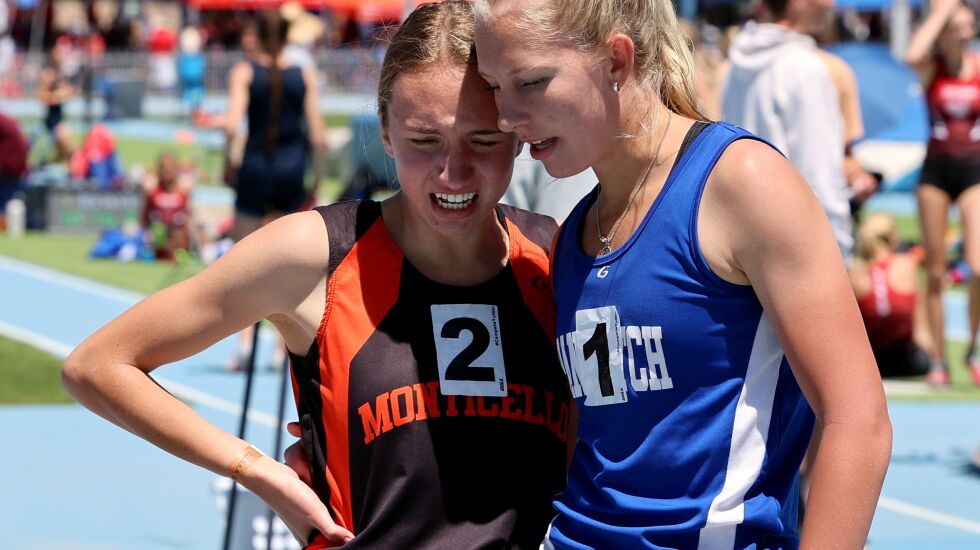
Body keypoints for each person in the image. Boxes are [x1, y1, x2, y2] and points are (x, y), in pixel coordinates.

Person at [62, 2, 570, 548]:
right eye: (425, 140)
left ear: (517, 132)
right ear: (387, 134)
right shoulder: (316, 254)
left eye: (483, 139)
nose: (454, 170)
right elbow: (98, 365)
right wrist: (258, 471)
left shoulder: (559, 257)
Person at [474, 0, 891, 548]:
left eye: (530, 81)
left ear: (617, 61)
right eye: (494, 86)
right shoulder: (577, 234)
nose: (507, 115)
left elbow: (858, 421)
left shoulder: (740, 182)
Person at [223, 10, 327, 372]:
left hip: (256, 166)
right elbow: (318, 134)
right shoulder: (303, 74)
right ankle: (284, 348)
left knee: (240, 260)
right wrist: (318, 177)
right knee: (287, 263)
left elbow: (232, 121)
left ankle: (245, 343)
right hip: (290, 168)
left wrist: (227, 159)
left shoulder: (245, 71)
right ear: (286, 38)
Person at [720, 0, 854, 258]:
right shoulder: (805, 69)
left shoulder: (734, 67)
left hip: (742, 237)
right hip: (797, 247)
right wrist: (839, 250)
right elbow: (820, 176)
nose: (832, 4)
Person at [905, 0, 980, 386]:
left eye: (969, 25)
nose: (964, 32)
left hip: (974, 172)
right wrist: (939, 12)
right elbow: (912, 53)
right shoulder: (932, 67)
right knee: (934, 271)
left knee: (978, 266)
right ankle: (937, 358)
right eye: (957, 25)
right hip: (936, 172)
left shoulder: (979, 68)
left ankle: (972, 348)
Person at [849, 213, 933, 378]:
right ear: (894, 240)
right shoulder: (907, 264)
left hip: (870, 362)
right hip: (909, 362)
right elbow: (921, 329)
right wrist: (933, 361)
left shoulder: (854, 273)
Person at [141, 152, 195, 260]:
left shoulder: (183, 191)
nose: (168, 171)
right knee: (159, 229)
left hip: (178, 237)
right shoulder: (153, 191)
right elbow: (144, 218)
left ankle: (181, 254)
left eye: (171, 167)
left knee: (178, 230)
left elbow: (189, 218)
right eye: (164, 168)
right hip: (158, 237)